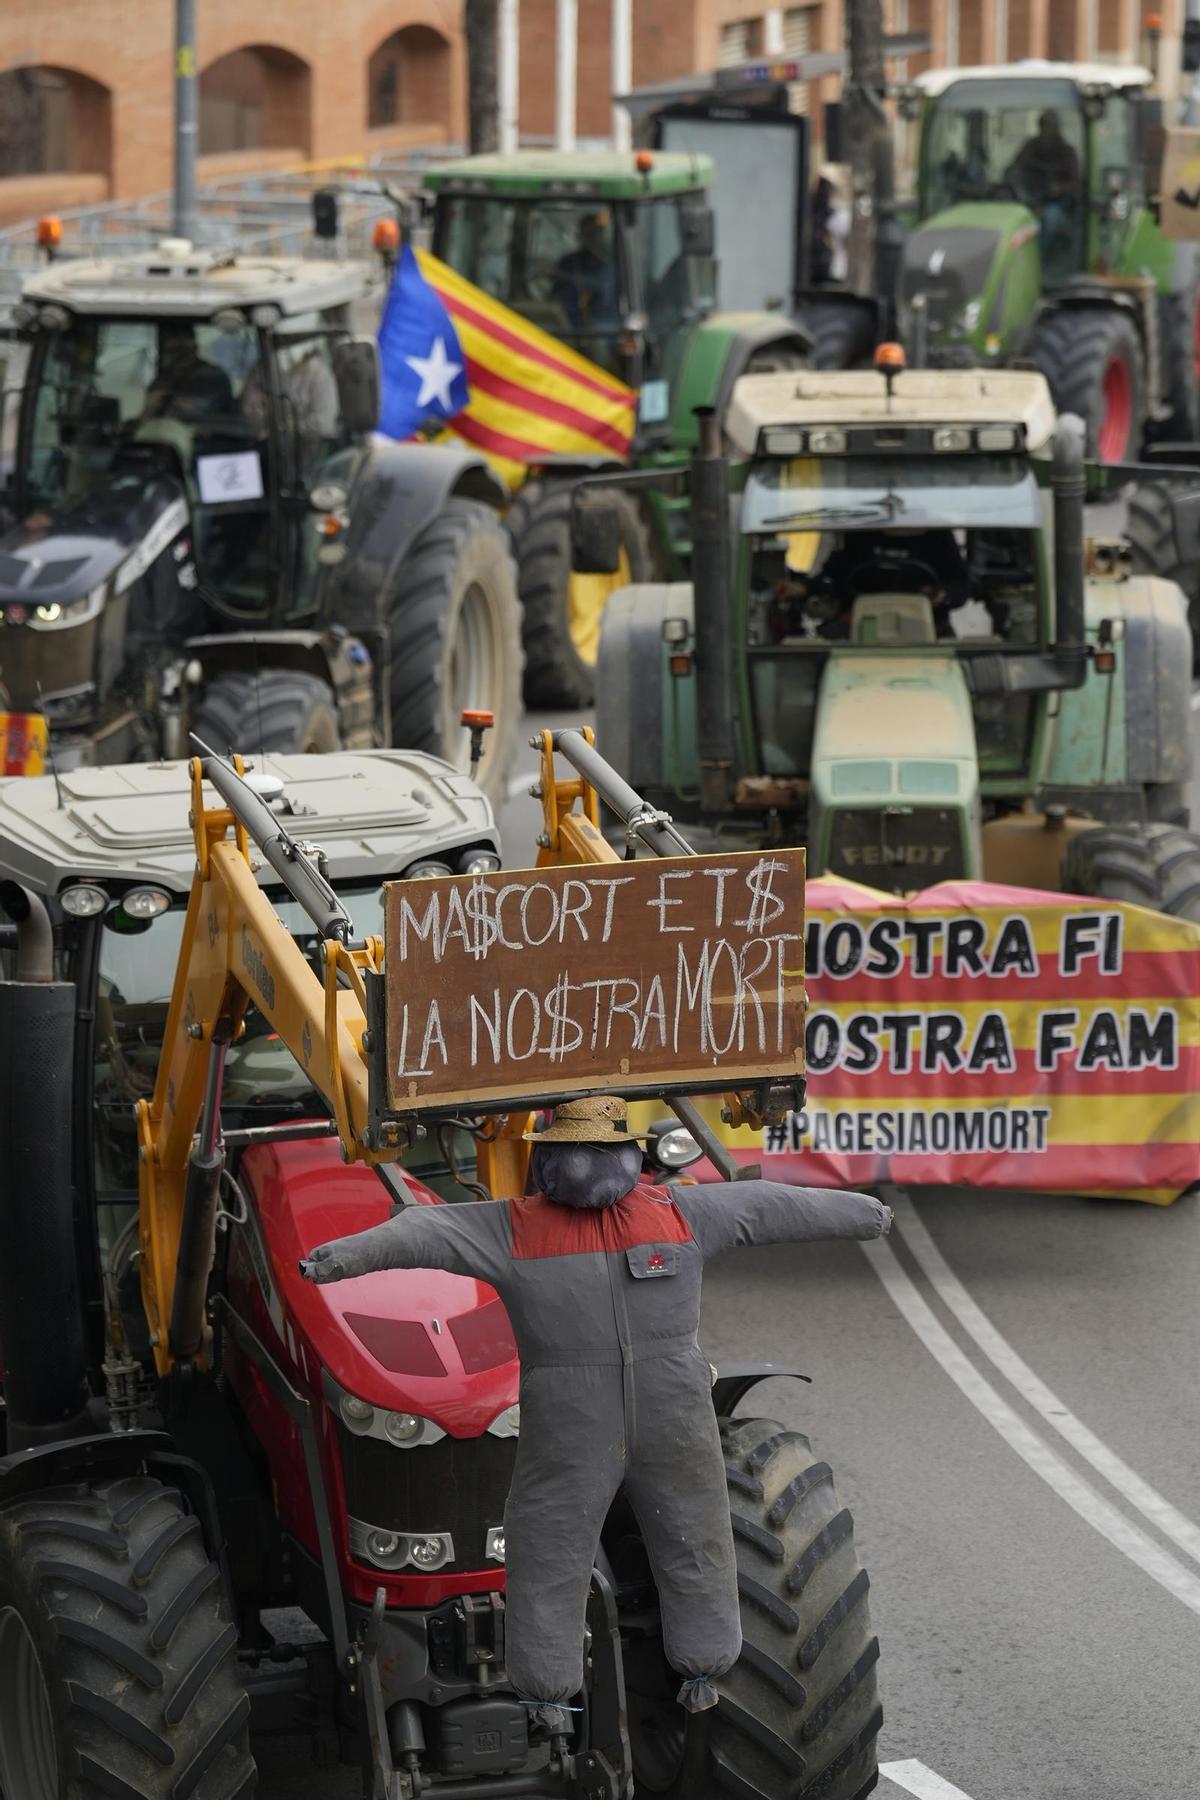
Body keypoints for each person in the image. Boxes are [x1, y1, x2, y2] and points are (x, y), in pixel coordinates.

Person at [300, 1093, 891, 1737]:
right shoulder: (676, 1212)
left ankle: (568, 1694)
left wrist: (337, 1258)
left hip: (574, 1428)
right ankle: (679, 1676)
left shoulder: (517, 1226)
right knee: (680, 1540)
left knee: (564, 1549)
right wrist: (865, 1213)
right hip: (663, 1420)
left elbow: (424, 1231)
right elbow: (772, 1205)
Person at [143, 322, 236, 424]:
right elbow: (148, 416)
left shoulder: (211, 376)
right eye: (172, 350)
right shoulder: (164, 379)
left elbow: (198, 412)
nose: (177, 357)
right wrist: (152, 406)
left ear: (194, 347)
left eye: (182, 350)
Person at [551, 211, 618, 333]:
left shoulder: (614, 262)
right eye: (587, 234)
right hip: (567, 328)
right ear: (579, 236)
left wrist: (566, 277)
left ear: (602, 235)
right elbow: (555, 297)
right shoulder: (568, 262)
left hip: (605, 326)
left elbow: (602, 288)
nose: (591, 238)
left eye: (595, 233)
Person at [1007, 109, 1081, 205]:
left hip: (1058, 202)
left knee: (1052, 216)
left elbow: (1075, 182)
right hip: (1030, 196)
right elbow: (1015, 168)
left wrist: (1059, 188)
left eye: (1051, 126)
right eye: (1044, 125)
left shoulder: (1067, 152)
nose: (1048, 130)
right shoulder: (1030, 146)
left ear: (1057, 128)